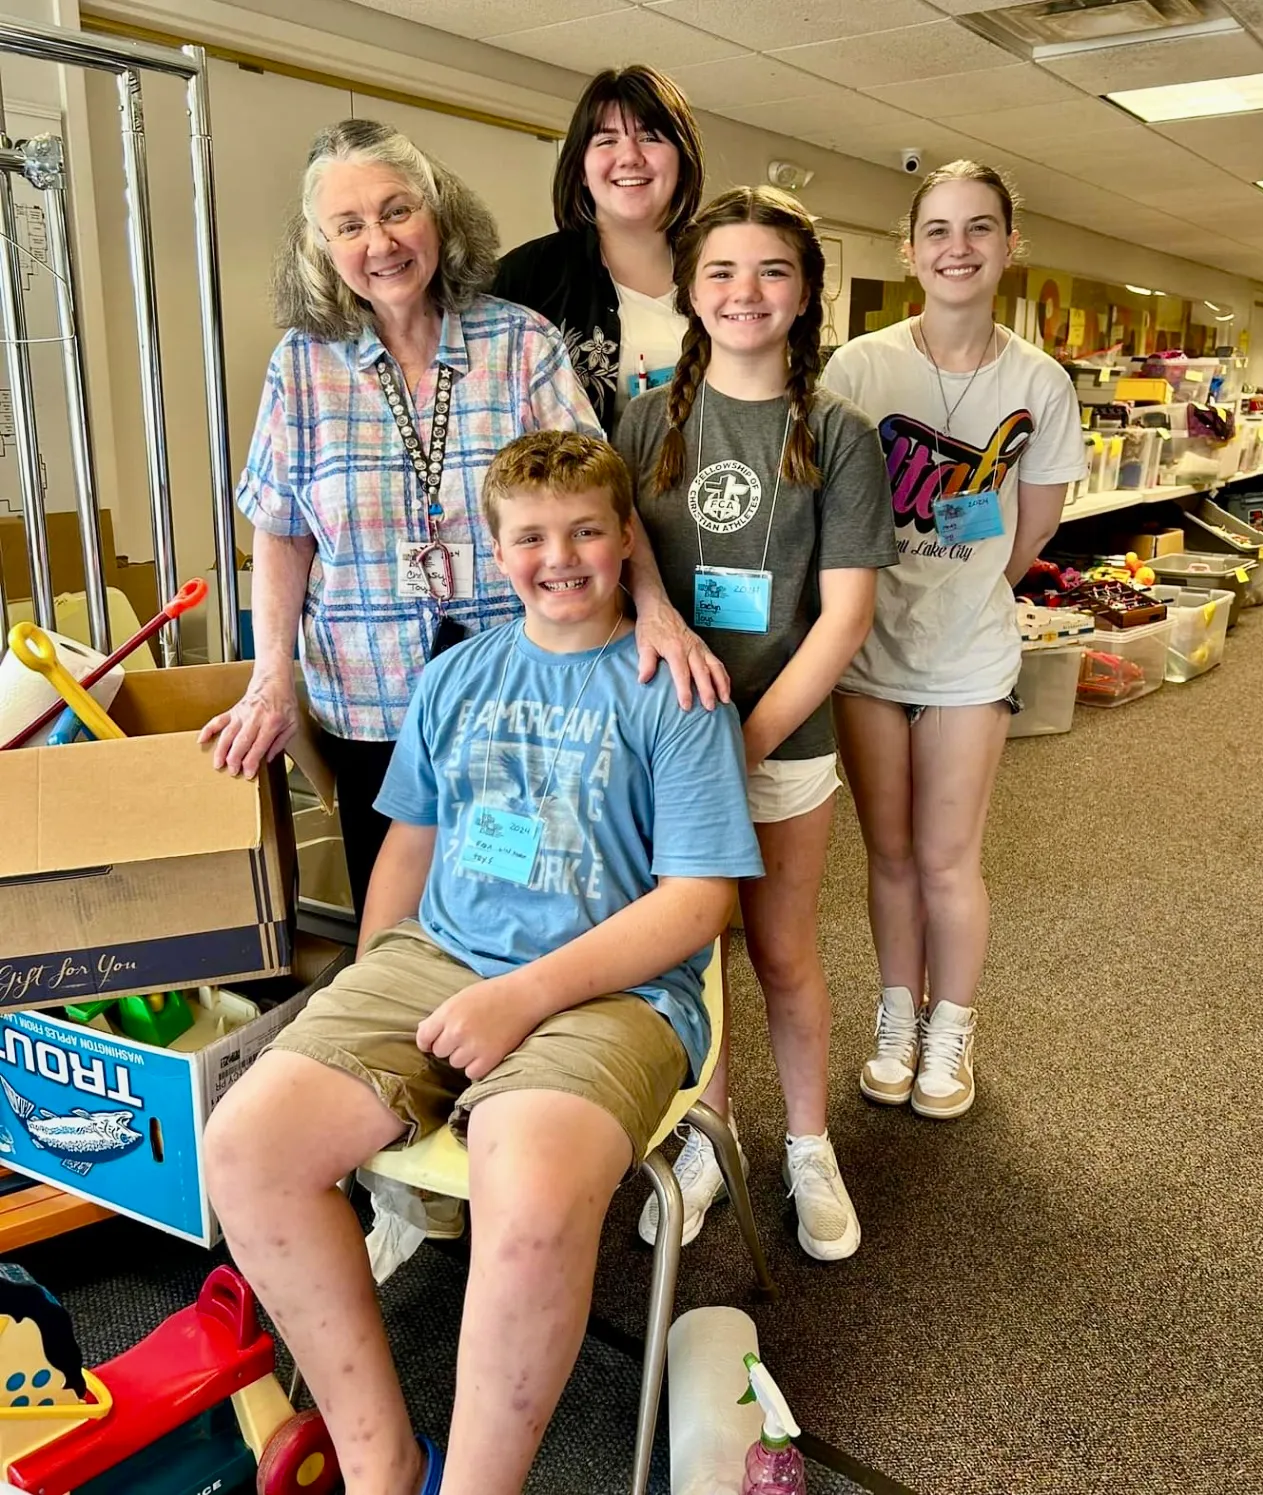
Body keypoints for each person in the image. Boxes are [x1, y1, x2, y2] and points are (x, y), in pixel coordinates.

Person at [202, 430, 764, 1495]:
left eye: (588, 530)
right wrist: (366, 995)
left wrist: (521, 998)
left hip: (613, 989)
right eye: (533, 536)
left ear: (625, 539)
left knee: (531, 1188)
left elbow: (702, 903)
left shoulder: (675, 688)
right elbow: (411, 844)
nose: (562, 556)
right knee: (245, 1146)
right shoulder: (456, 677)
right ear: (494, 549)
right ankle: (381, 1466)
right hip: (441, 955)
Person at [197, 118, 603, 920]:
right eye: (348, 225)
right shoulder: (302, 366)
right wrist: (271, 675)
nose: (378, 242)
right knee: (395, 921)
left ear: (438, 214)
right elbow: (283, 530)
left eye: (396, 210)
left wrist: (646, 618)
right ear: (321, 246)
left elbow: (597, 502)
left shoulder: (520, 342)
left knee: (517, 908)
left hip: (519, 691)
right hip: (372, 700)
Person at [617, 187, 898, 1261]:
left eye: (772, 271)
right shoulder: (648, 419)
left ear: (807, 292)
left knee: (781, 953)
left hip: (784, 741)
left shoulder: (838, 433)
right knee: (692, 960)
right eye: (722, 272)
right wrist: (689, 744)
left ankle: (810, 1144)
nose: (746, 292)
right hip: (666, 744)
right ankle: (707, 1130)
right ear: (690, 290)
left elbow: (844, 618)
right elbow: (624, 566)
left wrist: (744, 742)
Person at [820, 160, 1086, 1120]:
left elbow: (1038, 525)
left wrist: (972, 592)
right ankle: (897, 1014)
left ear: (1011, 246)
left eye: (980, 228)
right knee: (886, 854)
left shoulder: (1039, 381)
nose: (958, 247)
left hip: (971, 655)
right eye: (938, 230)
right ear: (910, 249)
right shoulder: (860, 368)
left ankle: (950, 1028)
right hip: (868, 651)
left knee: (946, 856)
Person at [493, 64, 703, 437]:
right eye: (607, 140)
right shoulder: (526, 278)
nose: (630, 156)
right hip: (579, 493)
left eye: (650, 136)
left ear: (683, 162)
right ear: (581, 170)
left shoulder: (720, 269)